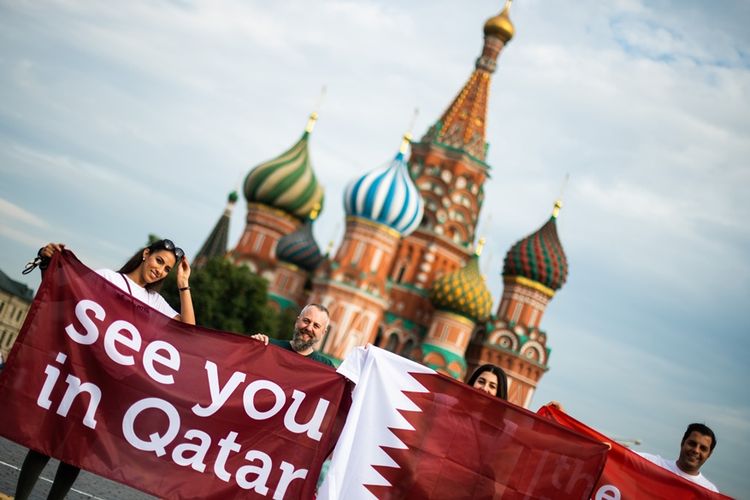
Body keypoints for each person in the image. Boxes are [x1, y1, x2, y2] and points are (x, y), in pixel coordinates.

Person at [14, 239, 195, 500]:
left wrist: (183, 283)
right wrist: (49, 259)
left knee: (75, 454)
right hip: (78, 375)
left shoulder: (154, 301)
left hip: (107, 388)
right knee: (46, 441)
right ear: (146, 254)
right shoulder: (108, 278)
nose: (160, 270)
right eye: (159, 261)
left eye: (167, 268)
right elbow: (64, 295)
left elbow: (189, 330)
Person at [638, 423, 719, 492]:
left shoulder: (710, 491)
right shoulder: (651, 464)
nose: (696, 450)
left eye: (703, 448)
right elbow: (626, 457)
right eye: (692, 444)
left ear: (709, 454)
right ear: (683, 442)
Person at [251, 303, 334, 367]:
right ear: (297, 321)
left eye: (316, 326)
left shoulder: (326, 366)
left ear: (323, 332)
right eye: (306, 321)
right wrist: (252, 345)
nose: (309, 328)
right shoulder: (269, 347)